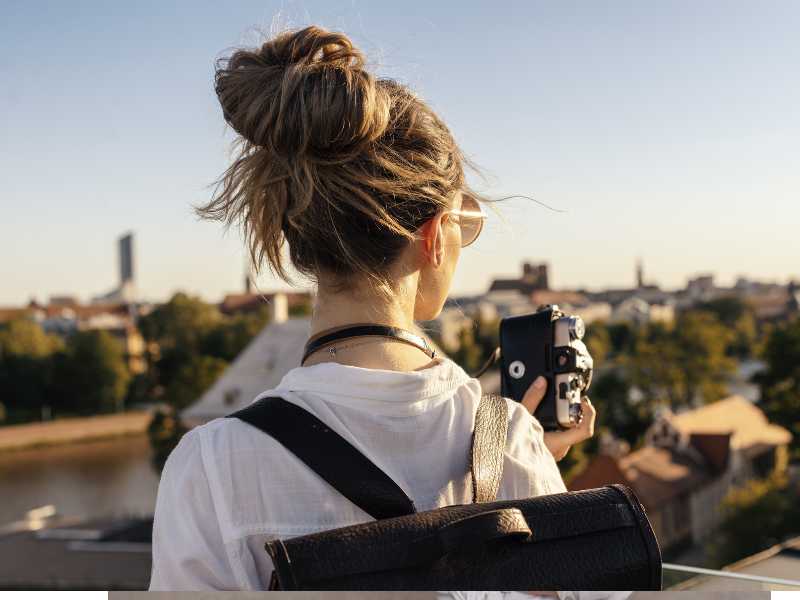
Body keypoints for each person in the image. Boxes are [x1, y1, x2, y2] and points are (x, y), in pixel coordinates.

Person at [149, 25, 596, 591]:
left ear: (296, 236)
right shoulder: (506, 439)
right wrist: (524, 464)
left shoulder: (210, 465)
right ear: (434, 235)